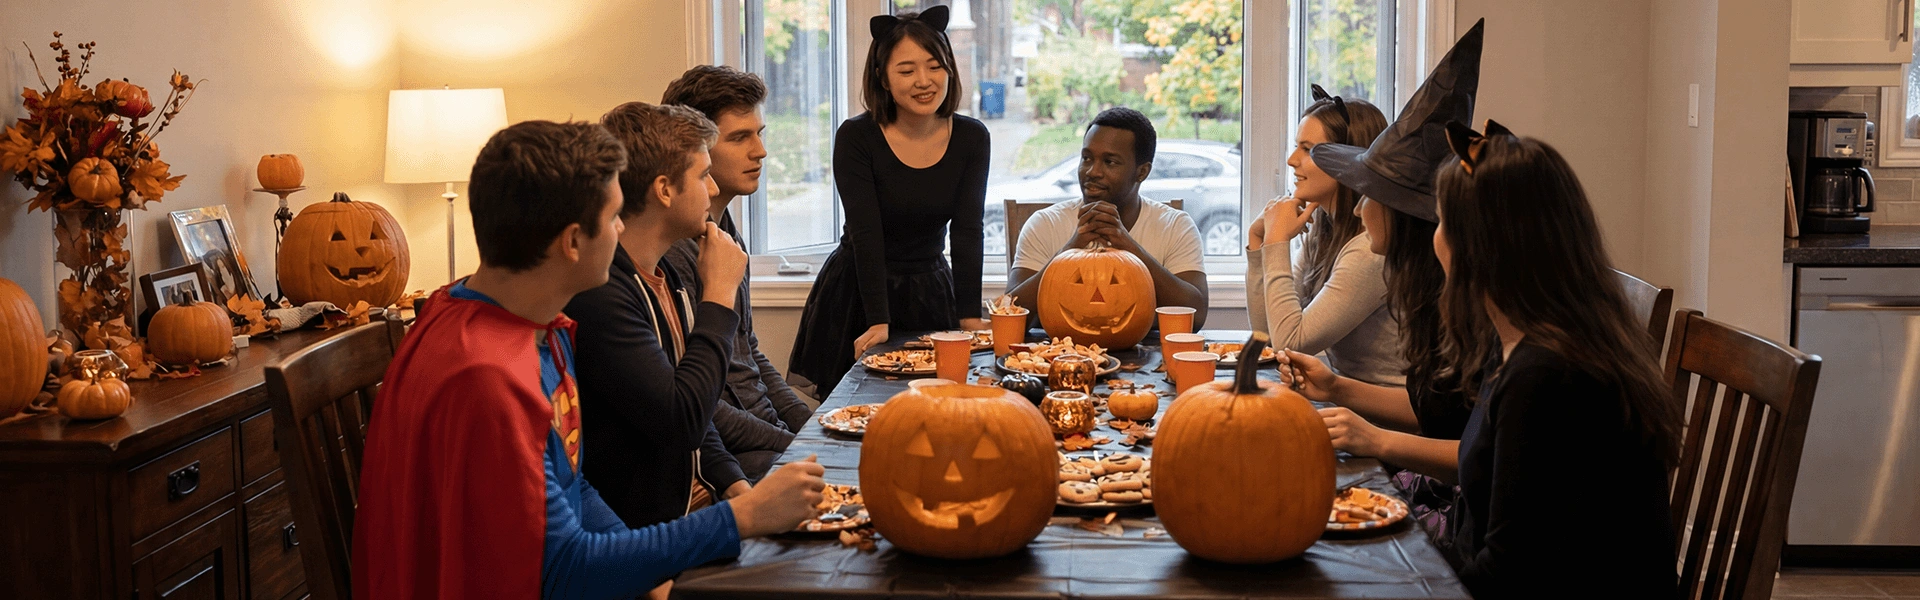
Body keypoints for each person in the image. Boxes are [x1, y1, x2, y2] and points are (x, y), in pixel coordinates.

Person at [353, 120, 826, 599]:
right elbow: (563, 572)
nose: (622, 229)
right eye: (615, 215)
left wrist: (652, 576)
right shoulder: (487, 379)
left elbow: (574, 488)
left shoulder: (533, 325)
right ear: (574, 241)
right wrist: (741, 518)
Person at [1432, 121, 1678, 597]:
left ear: (1478, 247)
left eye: (1441, 221)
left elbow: (1510, 577)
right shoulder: (1526, 345)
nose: (1435, 238)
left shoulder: (1546, 378)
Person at [1278, 19, 1482, 544]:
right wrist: (1338, 388)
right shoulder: (1440, 300)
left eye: (1371, 194)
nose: (1361, 206)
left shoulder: (1499, 334)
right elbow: (1442, 410)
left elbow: (1482, 456)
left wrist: (1378, 440)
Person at [566, 102, 753, 532]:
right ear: (665, 190)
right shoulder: (604, 293)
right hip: (650, 534)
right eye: (703, 175)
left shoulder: (666, 273)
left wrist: (740, 490)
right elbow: (679, 420)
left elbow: (700, 414)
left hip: (699, 508)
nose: (711, 189)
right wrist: (720, 297)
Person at [789, 5, 990, 399]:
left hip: (931, 288)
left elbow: (968, 230)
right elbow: (866, 233)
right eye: (906, 70)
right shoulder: (856, 137)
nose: (924, 81)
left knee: (936, 406)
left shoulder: (972, 137)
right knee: (861, 411)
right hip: (861, 291)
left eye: (935, 66)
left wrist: (969, 315)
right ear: (882, 76)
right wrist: (878, 321)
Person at [660, 66, 813, 481]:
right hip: (728, 454)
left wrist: (812, 425)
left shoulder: (726, 234)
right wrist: (797, 444)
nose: (760, 150)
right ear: (699, 148)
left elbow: (749, 352)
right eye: (740, 137)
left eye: (760, 133)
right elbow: (700, 405)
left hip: (765, 432)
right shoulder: (671, 253)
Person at [1244, 84, 1399, 387]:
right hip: (1344, 402)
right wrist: (1258, 241)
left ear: (1348, 160)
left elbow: (1292, 342)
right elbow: (1269, 336)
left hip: (1384, 420)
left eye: (1307, 149)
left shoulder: (1369, 249)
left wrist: (1277, 243)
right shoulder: (1324, 232)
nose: (1291, 160)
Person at [1005, 107, 1209, 325]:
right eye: (1087, 158)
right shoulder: (1045, 224)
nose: (1093, 171)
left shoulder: (1175, 226)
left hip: (1149, 356)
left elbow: (1195, 317)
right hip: (1058, 354)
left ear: (1142, 172)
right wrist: (1069, 252)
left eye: (1109, 162)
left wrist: (1130, 247)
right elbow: (1008, 313)